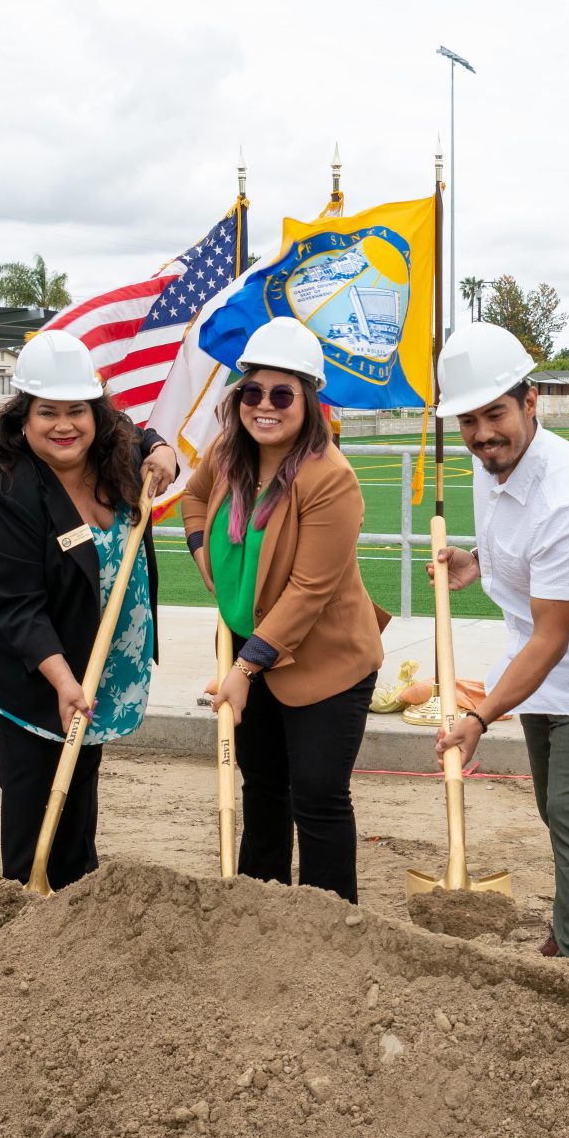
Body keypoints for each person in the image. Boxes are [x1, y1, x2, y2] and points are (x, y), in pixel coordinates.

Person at [430, 323, 569, 969]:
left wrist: (478, 717)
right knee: (554, 808)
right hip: (538, 658)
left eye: (494, 413)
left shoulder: (568, 500)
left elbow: (555, 639)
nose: (482, 434)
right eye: (468, 420)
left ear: (531, 404)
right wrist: (477, 564)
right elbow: (515, 550)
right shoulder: (494, 462)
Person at [0, 331, 181, 888]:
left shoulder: (113, 453)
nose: (64, 424)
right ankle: (25, 896)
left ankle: (77, 886)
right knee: (34, 777)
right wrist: (61, 680)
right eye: (48, 411)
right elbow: (15, 605)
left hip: (91, 651)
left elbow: (139, 433)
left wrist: (160, 446)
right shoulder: (5, 488)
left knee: (82, 766)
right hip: (21, 662)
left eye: (77, 410)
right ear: (24, 417)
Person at [178, 319, 385, 901]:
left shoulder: (331, 479)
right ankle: (259, 914)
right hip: (252, 645)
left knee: (316, 794)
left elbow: (308, 590)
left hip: (326, 660)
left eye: (282, 394)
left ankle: (330, 925)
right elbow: (193, 499)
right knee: (264, 788)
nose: (264, 406)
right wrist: (205, 558)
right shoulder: (226, 453)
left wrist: (244, 671)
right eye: (252, 392)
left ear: (310, 401)